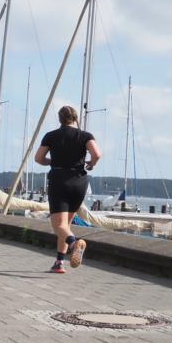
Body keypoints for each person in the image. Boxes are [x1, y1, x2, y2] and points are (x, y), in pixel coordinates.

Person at [34, 105, 101, 273]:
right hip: (79, 181)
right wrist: (91, 163)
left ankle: (74, 243)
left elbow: (39, 158)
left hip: (59, 180)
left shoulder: (51, 136)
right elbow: (97, 154)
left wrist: (52, 161)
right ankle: (59, 263)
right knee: (65, 225)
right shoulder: (85, 136)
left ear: (60, 119)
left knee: (58, 226)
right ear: (76, 118)